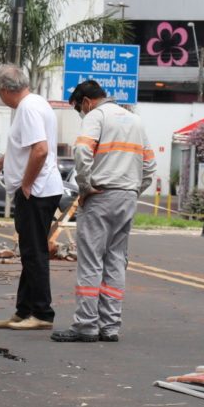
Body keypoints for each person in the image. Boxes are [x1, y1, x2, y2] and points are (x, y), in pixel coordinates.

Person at [51, 80, 156, 343]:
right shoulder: (135, 121)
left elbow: (82, 151)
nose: (81, 114)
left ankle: (86, 326)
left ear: (86, 102)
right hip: (127, 197)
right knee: (116, 260)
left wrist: (85, 187)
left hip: (100, 196)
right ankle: (110, 327)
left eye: (79, 109)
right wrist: (133, 190)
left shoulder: (96, 116)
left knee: (90, 262)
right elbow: (150, 167)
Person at [0, 64, 63, 331]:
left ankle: (41, 313)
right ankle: (24, 309)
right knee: (29, 251)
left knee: (34, 252)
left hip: (37, 191)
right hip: (40, 189)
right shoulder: (35, 103)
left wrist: (26, 184)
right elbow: (24, 147)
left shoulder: (27, 108)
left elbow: (39, 150)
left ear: (4, 90)